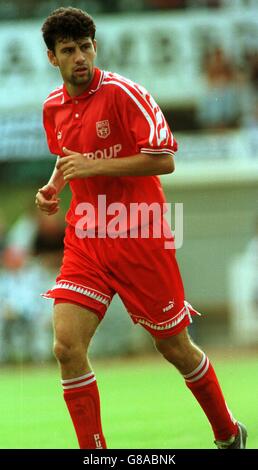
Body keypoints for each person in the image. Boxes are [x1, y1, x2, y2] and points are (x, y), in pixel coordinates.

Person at [36, 7, 247, 449]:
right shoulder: (52, 107)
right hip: (88, 237)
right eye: (69, 50)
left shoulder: (123, 94)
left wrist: (91, 167)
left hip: (138, 234)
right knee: (66, 347)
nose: (80, 57)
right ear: (53, 58)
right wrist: (53, 187)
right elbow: (67, 156)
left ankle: (228, 432)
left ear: (95, 47)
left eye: (86, 47)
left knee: (174, 348)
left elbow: (165, 159)